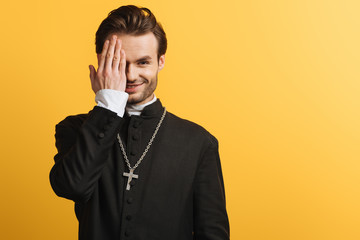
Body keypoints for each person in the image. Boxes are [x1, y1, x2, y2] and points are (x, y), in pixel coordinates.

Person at [50, 5, 229, 240]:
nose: (131, 76)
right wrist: (108, 104)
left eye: (143, 62)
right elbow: (72, 186)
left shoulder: (199, 142)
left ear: (161, 61)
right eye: (120, 63)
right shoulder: (75, 129)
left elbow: (212, 234)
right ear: (102, 62)